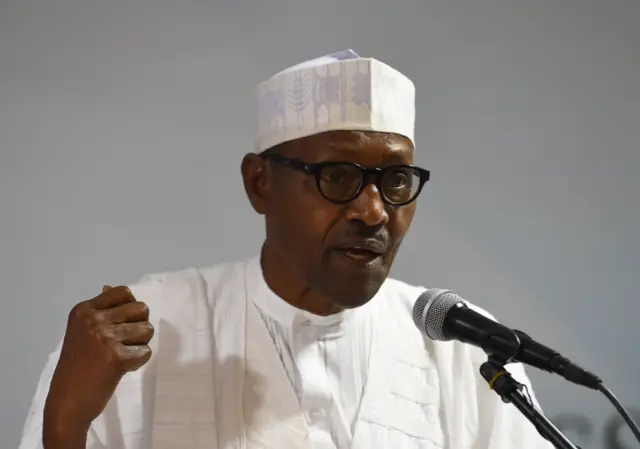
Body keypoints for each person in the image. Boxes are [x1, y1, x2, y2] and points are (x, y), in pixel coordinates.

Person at [18, 50, 554, 449]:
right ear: (260, 183)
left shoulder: (463, 350)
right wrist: (65, 427)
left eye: (395, 180)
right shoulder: (143, 334)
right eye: (338, 176)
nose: (373, 211)